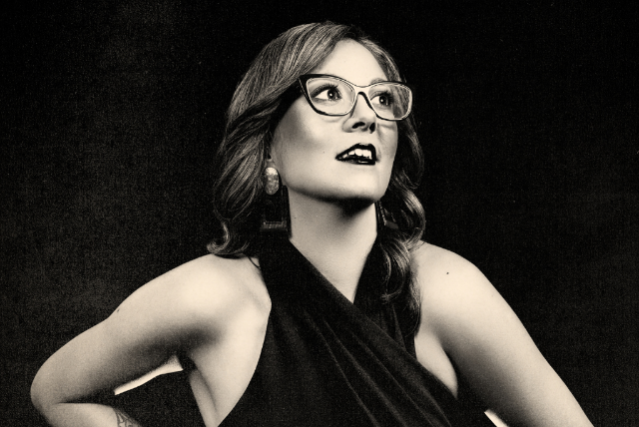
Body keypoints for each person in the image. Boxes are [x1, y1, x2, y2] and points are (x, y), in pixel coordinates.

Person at [31, 22, 593, 427]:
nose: (365, 116)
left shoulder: (446, 291)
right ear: (267, 148)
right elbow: (56, 392)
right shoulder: (210, 297)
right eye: (329, 94)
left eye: (382, 99)